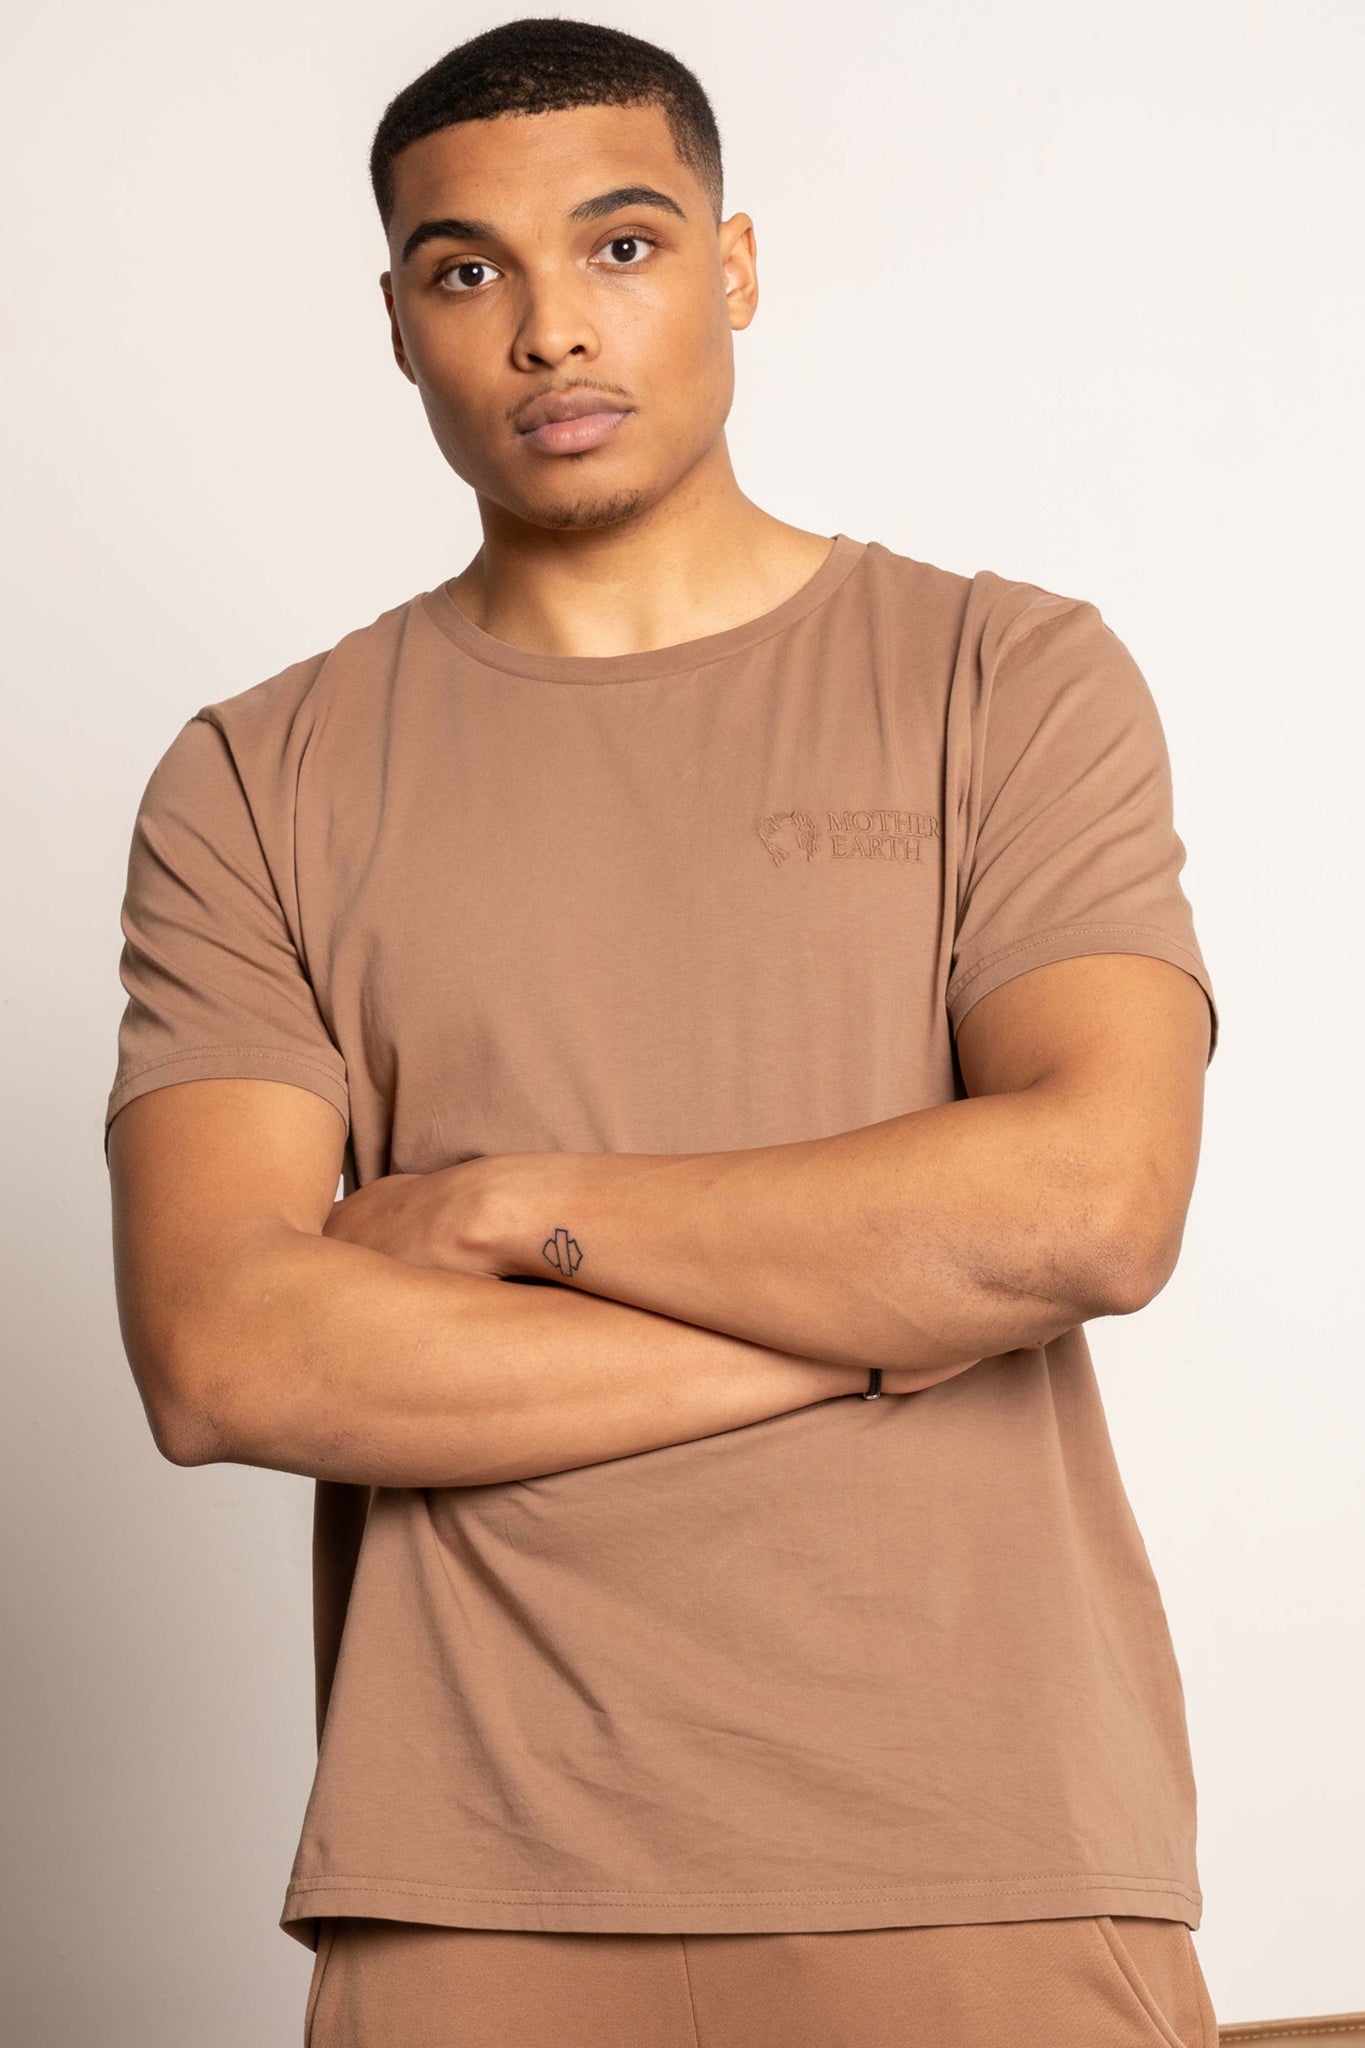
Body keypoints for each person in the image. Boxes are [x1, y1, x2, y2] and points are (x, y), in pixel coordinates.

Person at [103, 17, 1222, 2046]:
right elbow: (224, 1349)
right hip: (471, 1878)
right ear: (396, 324)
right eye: (468, 270)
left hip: (985, 1841)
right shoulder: (259, 777)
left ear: (735, 268)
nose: (548, 327)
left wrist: (499, 1209)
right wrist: (879, 1318)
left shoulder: (1003, 678)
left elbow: (1087, 1204)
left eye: (618, 246)